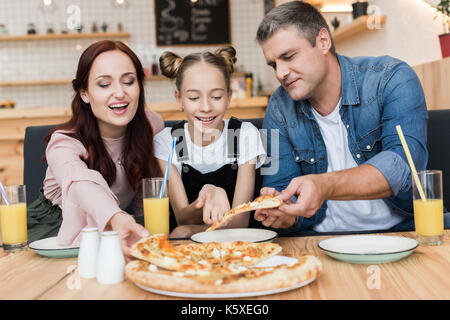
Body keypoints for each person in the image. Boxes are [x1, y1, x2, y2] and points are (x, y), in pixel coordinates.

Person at [253, 1, 434, 234]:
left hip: (405, 233)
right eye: (273, 65)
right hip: (319, 241)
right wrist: (283, 214)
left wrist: (324, 185)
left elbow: (401, 168)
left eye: (289, 57)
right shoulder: (278, 107)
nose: (280, 73)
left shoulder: (392, 78)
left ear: (323, 42)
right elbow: (280, 190)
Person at [27, 40, 164, 257]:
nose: (119, 93)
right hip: (55, 229)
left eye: (129, 81)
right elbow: (79, 181)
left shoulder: (152, 125)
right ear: (84, 93)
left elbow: (145, 188)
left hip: (113, 228)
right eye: (104, 84)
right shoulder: (63, 142)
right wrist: (116, 217)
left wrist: (144, 229)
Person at [155, 46, 266, 237]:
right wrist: (208, 195)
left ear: (229, 97)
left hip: (236, 245)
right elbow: (182, 217)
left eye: (216, 97)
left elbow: (240, 222)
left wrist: (187, 231)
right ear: (179, 99)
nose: (206, 107)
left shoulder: (244, 135)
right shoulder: (167, 141)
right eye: (194, 97)